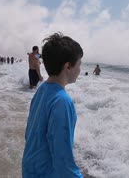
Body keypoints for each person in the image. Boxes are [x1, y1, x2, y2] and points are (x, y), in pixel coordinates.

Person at [22, 32, 84, 178]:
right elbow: (62, 159)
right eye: (79, 64)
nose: (80, 70)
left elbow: (28, 133)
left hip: (29, 168)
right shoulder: (62, 101)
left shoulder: (41, 90)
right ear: (67, 66)